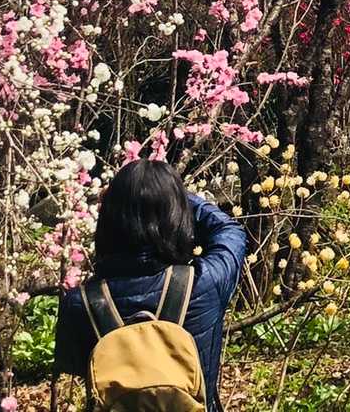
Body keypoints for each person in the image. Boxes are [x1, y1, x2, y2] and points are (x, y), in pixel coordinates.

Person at [55, 159, 249, 412]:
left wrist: (125, 199)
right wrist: (175, 197)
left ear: (109, 218)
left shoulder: (79, 304)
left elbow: (76, 365)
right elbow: (230, 231)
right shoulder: (204, 283)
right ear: (177, 217)